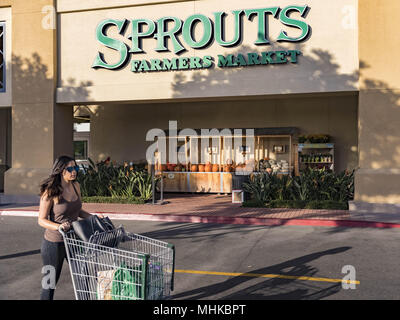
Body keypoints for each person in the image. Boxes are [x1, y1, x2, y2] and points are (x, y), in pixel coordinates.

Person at [38, 155, 103, 300]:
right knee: (49, 284)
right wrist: (59, 226)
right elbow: (41, 220)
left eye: (76, 168)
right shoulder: (50, 191)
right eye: (71, 168)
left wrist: (93, 217)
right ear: (61, 171)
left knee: (82, 278)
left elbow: (77, 211)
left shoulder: (76, 186)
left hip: (74, 241)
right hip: (53, 244)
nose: (75, 171)